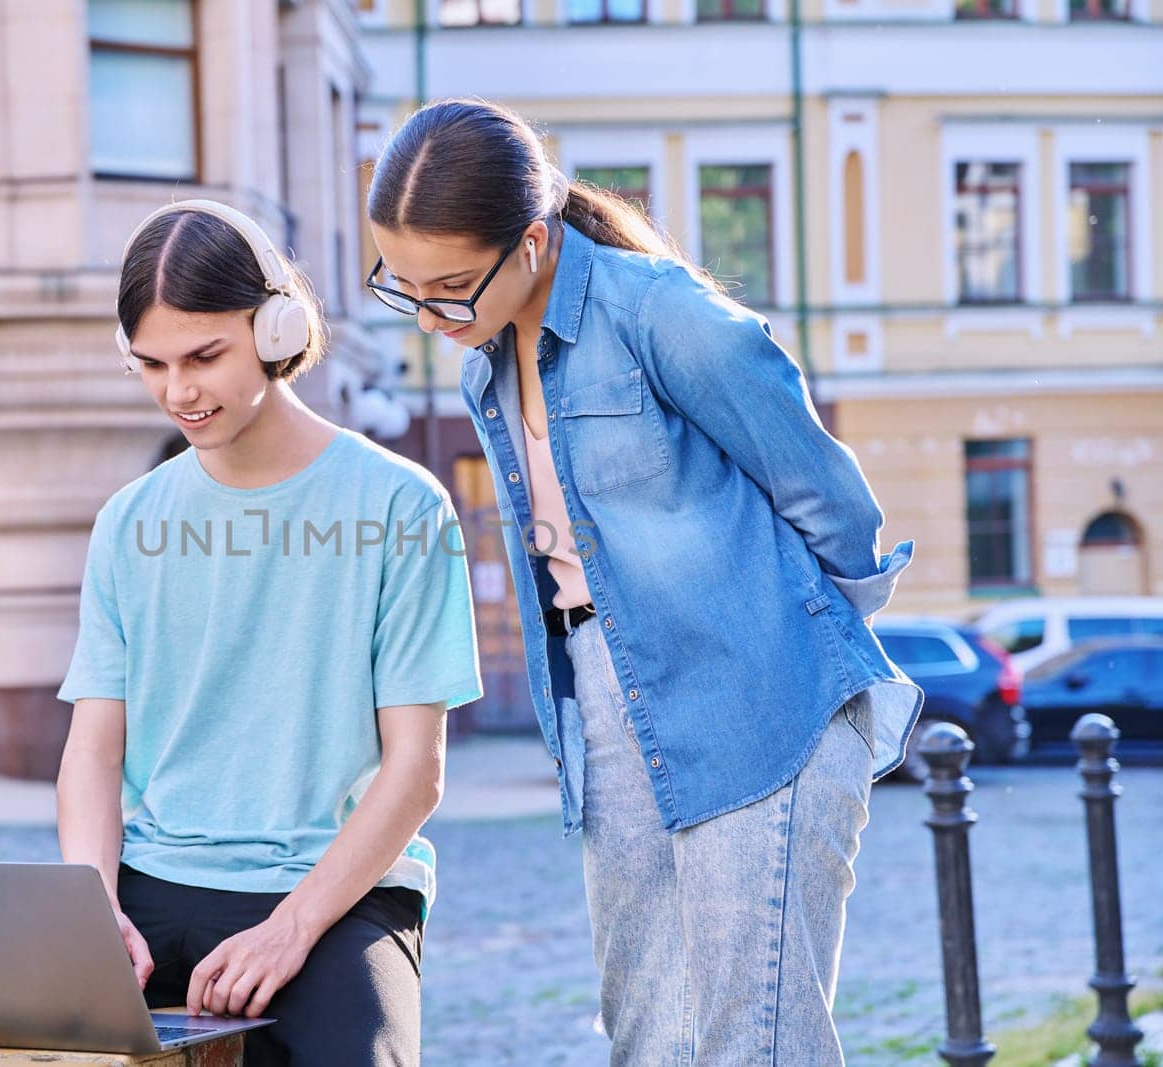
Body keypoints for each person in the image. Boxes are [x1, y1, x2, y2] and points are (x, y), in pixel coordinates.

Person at [364, 100, 923, 1065]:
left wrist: (788, 641)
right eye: (404, 289)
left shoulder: (662, 314)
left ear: (532, 243)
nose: (429, 317)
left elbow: (832, 500)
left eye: (451, 287)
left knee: (755, 1040)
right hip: (611, 711)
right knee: (647, 1038)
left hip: (759, 697)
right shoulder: (485, 370)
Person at [55, 199, 481, 1066]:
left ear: (276, 330)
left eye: (205, 356)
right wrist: (93, 909)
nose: (180, 391)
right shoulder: (127, 522)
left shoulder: (402, 508)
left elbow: (416, 768)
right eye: (153, 364)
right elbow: (93, 752)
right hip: (159, 883)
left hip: (338, 891)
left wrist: (290, 930)